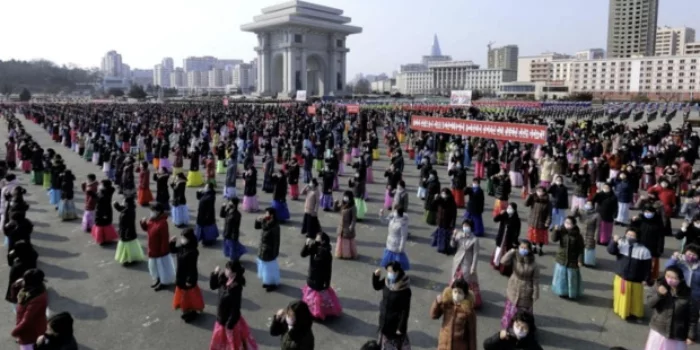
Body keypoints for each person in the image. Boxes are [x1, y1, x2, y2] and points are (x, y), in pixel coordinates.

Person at [644, 265, 698, 349]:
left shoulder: (688, 295)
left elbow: (693, 319)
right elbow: (650, 304)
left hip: (677, 335)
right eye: (668, 276)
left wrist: (691, 336)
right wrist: (659, 295)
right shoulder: (659, 285)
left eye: (674, 278)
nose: (670, 280)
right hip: (658, 331)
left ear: (681, 279)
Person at [208, 260, 258, 350]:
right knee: (221, 344)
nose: (226, 271)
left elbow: (235, 309)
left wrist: (229, 326)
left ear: (234, 273)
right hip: (221, 318)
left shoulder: (236, 288)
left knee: (232, 345)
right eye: (226, 269)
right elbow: (213, 286)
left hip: (230, 323)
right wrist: (215, 274)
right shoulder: (224, 279)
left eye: (229, 270)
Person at [607, 229, 651, 320]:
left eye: (632, 236)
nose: (630, 237)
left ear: (637, 237)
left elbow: (647, 267)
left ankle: (634, 313)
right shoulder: (621, 244)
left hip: (636, 279)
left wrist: (646, 279)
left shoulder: (644, 251)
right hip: (621, 277)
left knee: (635, 298)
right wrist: (614, 241)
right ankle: (621, 311)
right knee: (622, 297)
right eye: (628, 235)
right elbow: (611, 250)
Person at [300, 232, 342, 320]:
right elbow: (303, 254)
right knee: (312, 298)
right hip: (312, 277)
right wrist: (306, 244)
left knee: (319, 299)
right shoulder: (314, 247)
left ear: (323, 240)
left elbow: (327, 269)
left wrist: (327, 282)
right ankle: (311, 311)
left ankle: (321, 313)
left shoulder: (326, 252)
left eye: (318, 237)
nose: (316, 238)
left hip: (320, 279)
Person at [499, 240, 540, 329]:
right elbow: (503, 261)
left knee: (524, 312)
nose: (523, 249)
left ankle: (523, 329)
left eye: (525, 248)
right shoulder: (515, 257)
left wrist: (535, 293)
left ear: (529, 250)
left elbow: (536, 280)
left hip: (526, 290)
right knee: (511, 308)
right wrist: (511, 251)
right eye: (521, 247)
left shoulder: (534, 264)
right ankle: (508, 326)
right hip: (514, 285)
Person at [430, 278, 477, 350]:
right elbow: (433, 315)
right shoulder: (447, 303)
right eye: (455, 291)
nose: (457, 294)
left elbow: (472, 335)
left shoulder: (468, 311)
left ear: (465, 294)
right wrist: (437, 302)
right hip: (444, 345)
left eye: (460, 292)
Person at [372, 261, 412, 349]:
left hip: (394, 325)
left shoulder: (404, 289)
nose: (389, 274)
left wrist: (401, 328)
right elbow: (377, 286)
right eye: (388, 271)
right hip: (384, 320)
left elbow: (405, 310)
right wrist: (376, 276)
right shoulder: (388, 281)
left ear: (397, 272)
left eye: (391, 272)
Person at [170, 228, 204, 323]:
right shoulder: (182, 247)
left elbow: (192, 268)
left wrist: (190, 280)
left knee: (189, 297)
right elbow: (173, 250)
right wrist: (172, 243)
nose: (182, 239)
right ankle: (187, 310)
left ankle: (191, 311)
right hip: (181, 275)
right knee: (184, 296)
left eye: (184, 238)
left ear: (189, 239)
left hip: (188, 279)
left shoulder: (193, 251)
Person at [141, 202, 176, 291]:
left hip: (160, 251)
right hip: (152, 248)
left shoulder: (163, 223)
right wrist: (143, 223)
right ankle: (158, 279)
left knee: (161, 267)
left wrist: (163, 251)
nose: (151, 213)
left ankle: (163, 282)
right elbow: (147, 229)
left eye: (152, 211)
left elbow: (164, 238)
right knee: (154, 266)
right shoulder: (152, 220)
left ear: (158, 211)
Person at [11, 269, 48, 350]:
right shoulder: (29, 290)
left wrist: (16, 331)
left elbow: (27, 319)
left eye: (24, 279)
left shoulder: (37, 298)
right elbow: (15, 298)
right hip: (25, 328)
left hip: (31, 331)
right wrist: (15, 286)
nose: (22, 280)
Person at [550, 216, 585, 300]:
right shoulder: (561, 231)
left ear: (574, 225)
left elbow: (581, 249)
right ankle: (562, 292)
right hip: (561, 258)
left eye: (569, 223)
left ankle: (571, 293)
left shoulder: (578, 235)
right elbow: (554, 239)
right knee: (561, 278)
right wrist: (555, 230)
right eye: (566, 223)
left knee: (571, 278)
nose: (567, 225)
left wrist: (580, 260)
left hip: (572, 260)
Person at [450, 219, 482, 309]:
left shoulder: (475, 239)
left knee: (467, 283)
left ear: (471, 227)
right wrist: (453, 236)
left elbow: (476, 254)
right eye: (464, 225)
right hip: (457, 262)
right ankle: (455, 297)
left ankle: (466, 301)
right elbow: (452, 245)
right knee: (455, 281)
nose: (465, 227)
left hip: (467, 264)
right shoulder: (459, 235)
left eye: (467, 226)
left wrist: (473, 267)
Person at [631, 204, 666, 281]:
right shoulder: (640, 220)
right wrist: (633, 222)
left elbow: (661, 237)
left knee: (651, 265)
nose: (648, 213)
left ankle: (649, 278)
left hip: (652, 247)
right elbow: (632, 230)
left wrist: (660, 248)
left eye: (650, 212)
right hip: (640, 245)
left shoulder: (658, 222)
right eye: (646, 211)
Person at [5, 241, 38, 313]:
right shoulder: (33, 255)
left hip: (20, 289)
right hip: (31, 285)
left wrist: (9, 256)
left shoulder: (17, 265)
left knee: (20, 308)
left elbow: (10, 264)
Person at [113, 195, 146, 266]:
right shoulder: (129, 208)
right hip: (126, 231)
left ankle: (130, 259)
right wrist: (116, 205)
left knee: (128, 246)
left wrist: (125, 233)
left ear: (127, 203)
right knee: (128, 246)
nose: (123, 202)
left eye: (124, 201)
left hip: (127, 232)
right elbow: (121, 209)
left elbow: (127, 222)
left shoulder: (128, 211)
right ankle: (129, 258)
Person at [255, 207, 281, 292]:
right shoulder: (267, 221)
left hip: (270, 249)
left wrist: (262, 220)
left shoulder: (274, 224)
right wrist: (257, 220)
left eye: (266, 213)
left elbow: (266, 229)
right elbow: (257, 227)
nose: (265, 215)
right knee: (265, 267)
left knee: (269, 268)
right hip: (264, 247)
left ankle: (272, 284)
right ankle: (267, 281)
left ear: (271, 215)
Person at [492, 203, 521, 276]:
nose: (509, 209)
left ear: (514, 210)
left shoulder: (516, 219)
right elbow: (495, 219)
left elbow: (517, 231)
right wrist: (500, 214)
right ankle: (497, 264)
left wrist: (515, 240)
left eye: (511, 208)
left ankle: (504, 268)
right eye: (508, 207)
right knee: (498, 251)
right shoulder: (504, 215)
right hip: (501, 237)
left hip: (509, 239)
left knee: (506, 254)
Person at [90, 180, 119, 245]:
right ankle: (107, 238)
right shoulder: (109, 190)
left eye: (101, 184)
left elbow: (99, 199)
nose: (100, 185)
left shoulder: (104, 193)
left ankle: (103, 239)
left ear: (104, 185)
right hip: (107, 210)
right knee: (106, 223)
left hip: (102, 210)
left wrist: (92, 193)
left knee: (101, 224)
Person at [525, 187, 551, 256]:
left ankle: (540, 249)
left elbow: (549, 214)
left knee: (541, 238)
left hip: (542, 223)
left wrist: (547, 222)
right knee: (533, 236)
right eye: (538, 191)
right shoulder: (533, 198)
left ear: (544, 192)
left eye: (541, 191)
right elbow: (526, 204)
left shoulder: (547, 202)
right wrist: (529, 196)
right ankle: (534, 247)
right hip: (533, 221)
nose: (539, 193)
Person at [572, 200, 599, 267]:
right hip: (581, 232)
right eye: (587, 203)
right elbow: (573, 216)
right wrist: (575, 209)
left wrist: (596, 236)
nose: (588, 205)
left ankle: (588, 262)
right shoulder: (581, 211)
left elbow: (598, 226)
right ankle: (579, 260)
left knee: (589, 248)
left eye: (590, 204)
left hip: (591, 233)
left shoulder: (597, 215)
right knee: (579, 247)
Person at [221, 197, 247, 261]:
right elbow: (222, 215)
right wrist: (223, 207)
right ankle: (234, 258)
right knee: (230, 247)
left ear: (234, 203)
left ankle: (234, 260)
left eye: (230, 201)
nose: (229, 202)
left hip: (232, 235)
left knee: (233, 248)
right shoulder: (228, 210)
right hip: (227, 232)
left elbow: (234, 226)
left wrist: (232, 235)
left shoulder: (237, 214)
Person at [334, 191, 358, 259]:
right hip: (341, 227)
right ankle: (341, 253)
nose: (345, 198)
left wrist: (351, 226)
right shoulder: (343, 204)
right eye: (344, 196)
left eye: (346, 197)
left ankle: (347, 254)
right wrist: (335, 203)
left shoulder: (353, 207)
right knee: (341, 241)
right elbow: (336, 209)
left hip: (348, 228)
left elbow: (354, 219)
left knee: (346, 242)